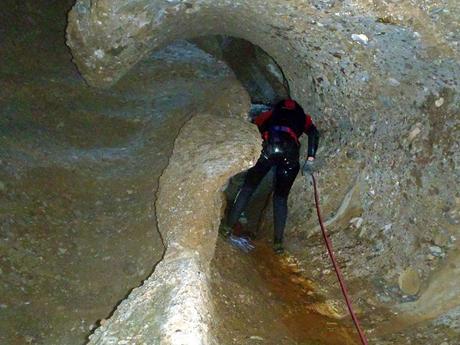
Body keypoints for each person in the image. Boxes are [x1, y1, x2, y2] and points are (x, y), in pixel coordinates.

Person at [222, 98, 320, 254]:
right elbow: (314, 133)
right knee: (281, 198)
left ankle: (228, 227)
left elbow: (255, 126)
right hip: (290, 152)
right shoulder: (303, 117)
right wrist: (310, 159)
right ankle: (278, 244)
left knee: (248, 188)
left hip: (269, 148)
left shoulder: (272, 113)